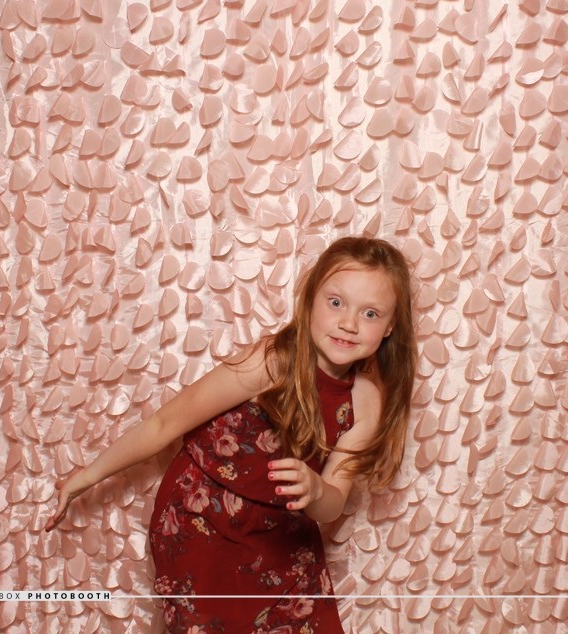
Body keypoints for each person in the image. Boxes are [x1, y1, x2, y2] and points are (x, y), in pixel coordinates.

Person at [45, 236, 418, 632]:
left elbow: (333, 504)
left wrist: (316, 490)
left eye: (371, 313)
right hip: (202, 521)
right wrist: (85, 477)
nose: (349, 323)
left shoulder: (366, 401)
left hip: (281, 535)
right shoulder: (270, 362)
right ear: (310, 298)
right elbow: (165, 424)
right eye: (336, 302)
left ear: (390, 326)